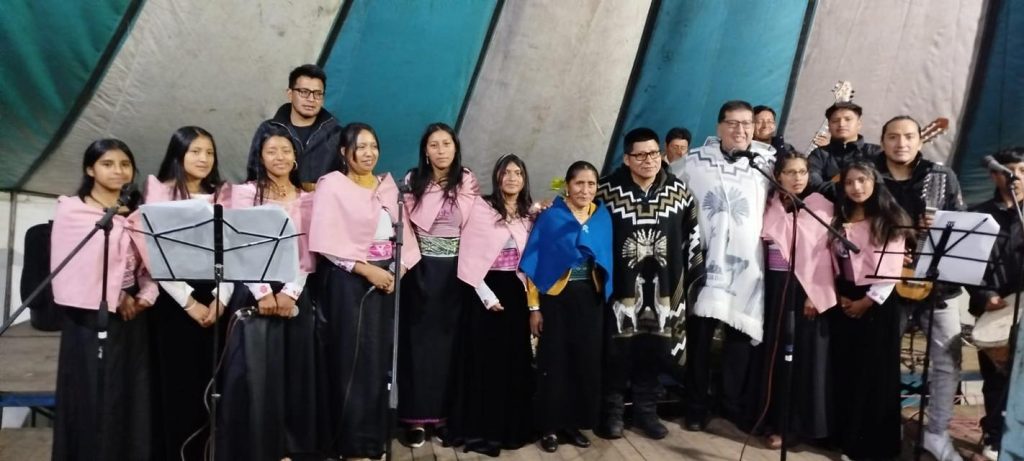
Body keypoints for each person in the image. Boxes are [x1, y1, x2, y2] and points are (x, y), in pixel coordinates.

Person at [309, 122, 420, 459]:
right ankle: (352, 444)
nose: (369, 153)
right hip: (350, 283)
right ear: (345, 152)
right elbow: (326, 240)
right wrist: (367, 270)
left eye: (373, 146)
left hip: (387, 281)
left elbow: (405, 238)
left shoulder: (387, 187)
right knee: (352, 362)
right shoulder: (332, 185)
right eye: (361, 147)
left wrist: (396, 271)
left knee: (380, 362)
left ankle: (376, 439)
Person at [50, 139, 157, 461]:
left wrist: (145, 294)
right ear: (90, 169)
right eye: (107, 164)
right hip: (88, 318)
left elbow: (150, 263)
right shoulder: (73, 211)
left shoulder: (138, 213)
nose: (118, 171)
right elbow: (74, 267)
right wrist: (117, 295)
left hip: (133, 319)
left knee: (129, 395)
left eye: (125, 164)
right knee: (92, 395)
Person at [593, 127, 703, 440]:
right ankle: (612, 412)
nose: (649, 160)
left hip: (664, 288)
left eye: (653, 153)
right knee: (617, 349)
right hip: (619, 288)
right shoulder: (606, 192)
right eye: (640, 155)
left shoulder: (678, 192)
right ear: (627, 159)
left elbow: (692, 236)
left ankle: (646, 412)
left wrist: (689, 277)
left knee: (654, 348)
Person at [218, 125, 315, 460]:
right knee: (255, 375)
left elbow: (309, 249)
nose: (280, 157)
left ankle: (287, 448)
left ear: (296, 157)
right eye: (272, 151)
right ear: (259, 156)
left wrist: (291, 291)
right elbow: (237, 245)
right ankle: (256, 449)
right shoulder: (244, 194)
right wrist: (262, 292)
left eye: (286, 151)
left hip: (295, 292)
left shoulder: (307, 198)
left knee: (293, 372)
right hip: (253, 293)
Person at [677, 100, 775, 431]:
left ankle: (731, 404)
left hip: (747, 268)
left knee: (739, 342)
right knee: (700, 340)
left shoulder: (766, 163)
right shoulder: (695, 162)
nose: (740, 130)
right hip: (705, 264)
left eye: (747, 124)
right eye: (732, 123)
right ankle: (695, 407)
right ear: (719, 127)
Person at [875, 115, 965, 461]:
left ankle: (937, 434)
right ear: (882, 141)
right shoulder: (871, 176)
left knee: (948, 361)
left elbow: (963, 224)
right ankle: (886, 429)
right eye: (893, 137)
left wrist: (942, 225)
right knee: (882, 361)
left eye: (909, 136)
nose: (902, 143)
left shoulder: (941, 177)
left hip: (938, 286)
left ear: (920, 140)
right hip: (886, 286)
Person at [143, 126, 234, 460]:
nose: (203, 158)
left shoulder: (224, 194)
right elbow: (154, 252)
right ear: (178, 154)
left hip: (218, 295)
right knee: (178, 384)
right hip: (175, 300)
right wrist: (189, 302)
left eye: (209, 152)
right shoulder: (160, 192)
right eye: (195, 151)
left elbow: (235, 248)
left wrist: (222, 298)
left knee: (214, 385)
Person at [519, 161, 613, 453]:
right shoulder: (551, 217)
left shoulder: (601, 217)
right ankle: (549, 427)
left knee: (584, 362)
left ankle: (572, 424)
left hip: (590, 299)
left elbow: (606, 258)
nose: (585, 190)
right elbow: (534, 265)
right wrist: (534, 308)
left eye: (591, 184)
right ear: (568, 186)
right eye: (579, 183)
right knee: (554, 362)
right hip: (556, 298)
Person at [398, 122, 480, 447]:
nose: (441, 150)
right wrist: (409, 264)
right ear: (425, 151)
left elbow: (476, 224)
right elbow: (403, 225)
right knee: (417, 345)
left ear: (455, 147)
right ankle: (415, 419)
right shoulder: (412, 180)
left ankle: (444, 417)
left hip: (456, 274)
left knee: (451, 346)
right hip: (419, 270)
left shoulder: (466, 180)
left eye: (447, 143)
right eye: (434, 145)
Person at [450, 154, 536, 456]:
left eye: (518, 173)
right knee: (485, 365)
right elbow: (469, 256)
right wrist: (486, 295)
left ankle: (511, 430)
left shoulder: (528, 215)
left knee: (514, 363)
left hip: (517, 292)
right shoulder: (481, 209)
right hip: (484, 292)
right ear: (497, 177)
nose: (512, 178)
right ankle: (482, 431)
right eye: (506, 172)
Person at [751, 152, 836, 449]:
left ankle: (794, 427)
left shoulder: (820, 205)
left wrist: (814, 294)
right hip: (774, 287)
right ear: (778, 176)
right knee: (774, 355)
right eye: (790, 172)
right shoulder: (770, 203)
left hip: (806, 290)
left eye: (802, 172)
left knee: (800, 359)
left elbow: (824, 255)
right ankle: (771, 419)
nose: (798, 178)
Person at [830, 161, 910, 460]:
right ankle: (843, 437)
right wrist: (838, 294)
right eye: (850, 182)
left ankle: (868, 447)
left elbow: (892, 268)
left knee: (873, 375)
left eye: (862, 180)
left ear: (875, 182)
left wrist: (867, 301)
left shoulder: (889, 219)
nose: (857, 187)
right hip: (845, 297)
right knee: (846, 370)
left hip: (877, 302)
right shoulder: (839, 218)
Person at [966, 146, 1024, 460]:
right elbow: (965, 265)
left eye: (1023, 171)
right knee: (996, 377)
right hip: (995, 307)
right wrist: (984, 294)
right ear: (994, 175)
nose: (1016, 177)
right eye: (1009, 171)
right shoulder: (978, 215)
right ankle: (994, 434)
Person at [247, 64, 343, 190]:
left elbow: (344, 180)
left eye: (318, 94)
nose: (311, 99)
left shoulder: (336, 134)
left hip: (322, 201)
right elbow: (254, 175)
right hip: (275, 199)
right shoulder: (268, 129)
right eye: (304, 92)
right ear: (290, 94)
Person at [807, 102, 883, 198]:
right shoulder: (819, 155)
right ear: (829, 126)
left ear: (859, 124)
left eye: (848, 119)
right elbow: (814, 184)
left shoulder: (876, 152)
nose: (841, 124)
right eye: (835, 120)